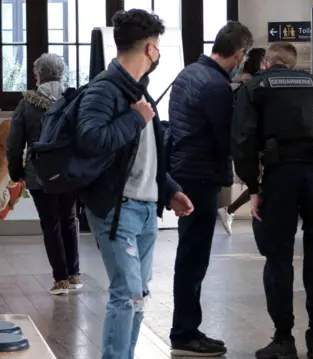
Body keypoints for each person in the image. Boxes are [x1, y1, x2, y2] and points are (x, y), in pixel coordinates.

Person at [75, 9, 193, 359]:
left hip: (145, 206)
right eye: (157, 46)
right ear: (148, 49)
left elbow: (145, 154)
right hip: (118, 209)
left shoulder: (140, 91)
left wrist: (169, 189)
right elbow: (91, 138)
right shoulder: (104, 90)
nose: (158, 53)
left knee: (138, 294)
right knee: (126, 293)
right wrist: (134, 117)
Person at [232, 42, 313, 359]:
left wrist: (252, 187)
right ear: (294, 63)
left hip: (278, 178)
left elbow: (243, 140)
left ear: (267, 63)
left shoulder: (256, 86)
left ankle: (284, 338)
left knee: (278, 258)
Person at [167, 21, 253, 356]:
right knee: (194, 256)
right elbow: (226, 136)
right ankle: (185, 332)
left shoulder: (189, 72)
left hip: (185, 171)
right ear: (239, 53)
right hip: (200, 176)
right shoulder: (217, 86)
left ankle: (187, 328)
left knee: (190, 252)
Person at [7, 53, 82, 296]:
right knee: (69, 221)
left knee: (51, 224)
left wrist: (16, 172)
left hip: (39, 173)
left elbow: (14, 143)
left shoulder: (27, 103)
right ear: (61, 74)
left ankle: (60, 279)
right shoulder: (75, 99)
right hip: (70, 171)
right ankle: (73, 274)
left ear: (38, 75)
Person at [218, 47, 267, 235]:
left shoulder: (239, 83)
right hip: (256, 143)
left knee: (259, 184)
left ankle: (230, 210)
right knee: (260, 184)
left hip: (245, 141)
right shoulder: (253, 86)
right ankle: (231, 210)